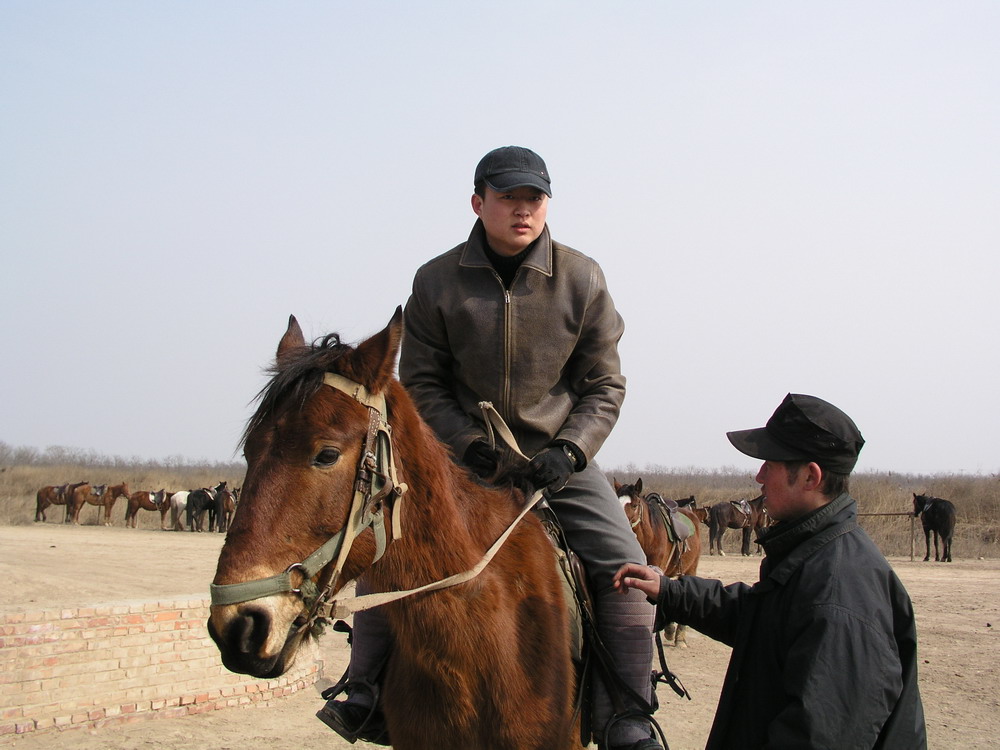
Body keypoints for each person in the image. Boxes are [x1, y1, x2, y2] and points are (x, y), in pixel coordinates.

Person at [318, 146, 660, 750]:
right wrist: (465, 443)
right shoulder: (437, 279)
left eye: (534, 198)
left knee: (628, 567)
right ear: (479, 203)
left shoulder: (582, 278)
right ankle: (364, 689)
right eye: (508, 197)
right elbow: (420, 380)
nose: (523, 209)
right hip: (457, 462)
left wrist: (572, 451)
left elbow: (605, 383)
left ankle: (628, 712)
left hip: (558, 464)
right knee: (385, 558)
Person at [614, 393, 927, 750]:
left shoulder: (839, 594)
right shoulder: (815, 556)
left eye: (771, 464)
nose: (758, 475)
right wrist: (670, 590)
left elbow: (817, 738)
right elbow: (762, 617)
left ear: (810, 476)